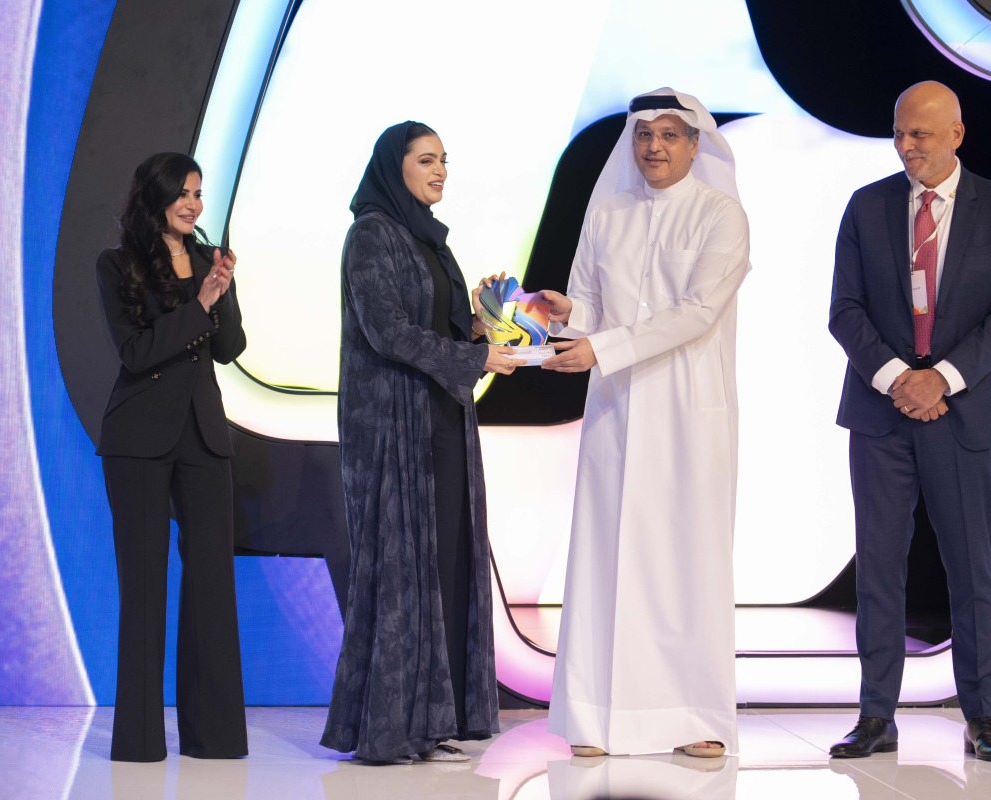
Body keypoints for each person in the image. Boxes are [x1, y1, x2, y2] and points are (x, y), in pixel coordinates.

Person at [540, 88, 751, 758]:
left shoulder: (722, 215)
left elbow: (696, 312)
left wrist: (600, 345)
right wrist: (562, 313)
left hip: (689, 411)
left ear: (694, 143)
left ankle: (694, 718)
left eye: (668, 134)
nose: (653, 147)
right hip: (617, 409)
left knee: (686, 561)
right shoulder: (608, 215)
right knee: (608, 558)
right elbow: (593, 309)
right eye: (643, 135)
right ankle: (598, 718)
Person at [827, 81, 991, 762]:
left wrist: (939, 380)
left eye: (920, 134)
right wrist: (898, 380)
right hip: (882, 416)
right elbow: (845, 310)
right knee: (878, 570)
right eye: (900, 133)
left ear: (956, 135)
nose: (907, 146)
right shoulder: (867, 206)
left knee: (969, 570)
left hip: (964, 415)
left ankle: (982, 718)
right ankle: (875, 716)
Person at [321, 121, 517, 765]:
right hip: (393, 427)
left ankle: (435, 720)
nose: (440, 171)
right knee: (405, 572)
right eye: (426, 160)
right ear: (393, 167)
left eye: (444, 161)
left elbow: (444, 331)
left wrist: (487, 321)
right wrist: (478, 357)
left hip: (441, 420)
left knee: (447, 563)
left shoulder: (430, 240)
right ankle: (390, 728)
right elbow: (387, 331)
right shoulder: (372, 234)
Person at [95, 152, 248, 762]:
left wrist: (223, 292)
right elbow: (136, 353)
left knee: (212, 584)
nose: (193, 204)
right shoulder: (118, 265)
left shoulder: (210, 262)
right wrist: (199, 305)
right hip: (137, 440)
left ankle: (212, 739)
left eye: (199, 193)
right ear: (155, 197)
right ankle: (138, 743)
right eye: (182, 193)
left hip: (203, 438)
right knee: (144, 587)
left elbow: (230, 347)